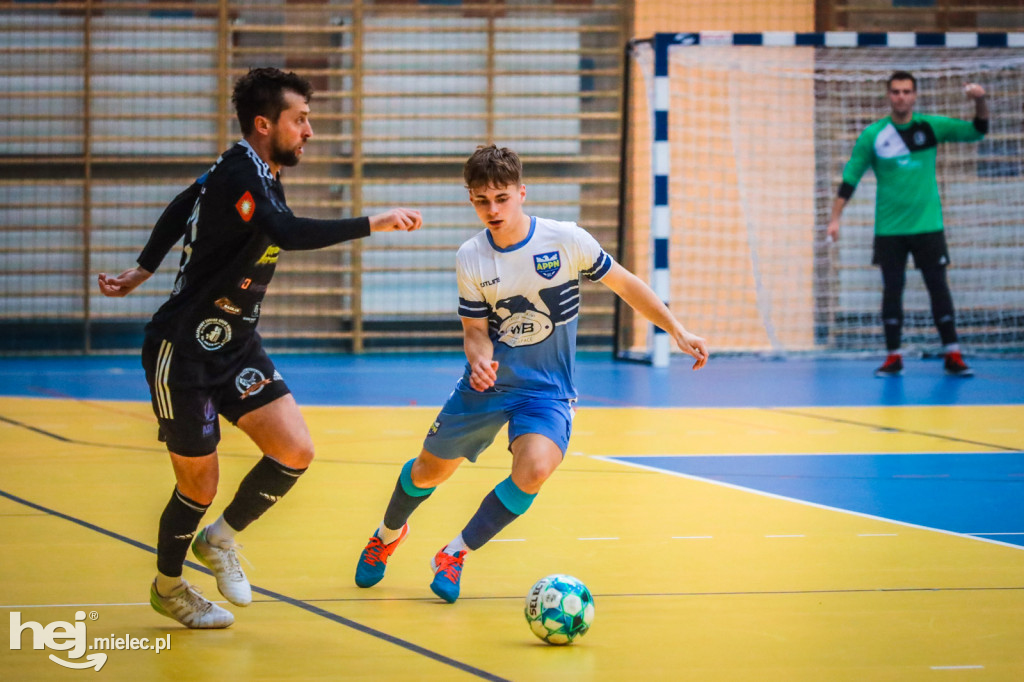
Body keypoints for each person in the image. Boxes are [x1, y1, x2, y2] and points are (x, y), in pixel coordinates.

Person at [98, 67, 422, 628]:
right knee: (198, 484)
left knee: (295, 450)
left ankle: (219, 541)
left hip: (238, 343)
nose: (310, 131)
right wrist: (374, 222)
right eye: (301, 120)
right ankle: (169, 588)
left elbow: (183, 201)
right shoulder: (239, 173)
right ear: (265, 123)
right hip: (186, 351)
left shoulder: (257, 170)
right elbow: (285, 232)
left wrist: (143, 268)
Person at [352, 144, 708, 603]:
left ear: (522, 193)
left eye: (502, 198)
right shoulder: (471, 257)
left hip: (547, 392)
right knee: (426, 472)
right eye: (481, 200)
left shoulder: (566, 240)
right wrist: (479, 359)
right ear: (470, 200)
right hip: (489, 387)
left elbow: (625, 283)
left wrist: (675, 328)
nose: (493, 209)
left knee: (536, 468)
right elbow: (475, 331)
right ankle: (386, 535)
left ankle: (454, 553)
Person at [827, 71, 988, 377]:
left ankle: (953, 354)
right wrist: (835, 218)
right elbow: (850, 178)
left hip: (928, 226)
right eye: (896, 92)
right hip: (890, 231)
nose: (901, 96)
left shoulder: (930, 127)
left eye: (907, 91)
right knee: (892, 291)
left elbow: (978, 131)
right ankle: (893, 357)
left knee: (938, 288)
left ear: (914, 96)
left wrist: (980, 100)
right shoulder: (874, 135)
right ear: (888, 96)